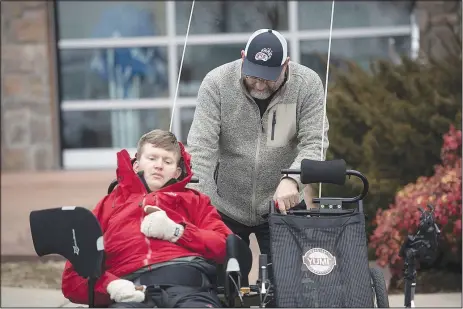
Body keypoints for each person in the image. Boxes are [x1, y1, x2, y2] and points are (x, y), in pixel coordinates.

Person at [186, 29, 329, 282]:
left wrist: (292, 179)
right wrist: (202, 202)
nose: (260, 84)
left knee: (290, 287)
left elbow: (315, 143)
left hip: (282, 205)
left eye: (269, 77)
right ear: (243, 58)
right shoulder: (216, 83)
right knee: (220, 287)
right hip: (224, 205)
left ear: (286, 65)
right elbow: (201, 148)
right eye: (254, 75)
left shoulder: (308, 84)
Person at [61, 129, 233, 308]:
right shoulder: (108, 205)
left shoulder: (195, 201)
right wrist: (110, 286)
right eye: (152, 158)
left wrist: (178, 231)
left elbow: (226, 246)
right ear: (136, 165)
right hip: (130, 291)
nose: (159, 165)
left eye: (167, 161)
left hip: (188, 286)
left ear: (177, 172)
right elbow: (73, 277)